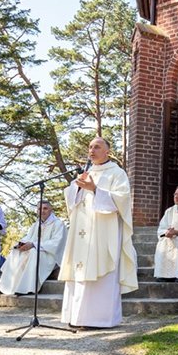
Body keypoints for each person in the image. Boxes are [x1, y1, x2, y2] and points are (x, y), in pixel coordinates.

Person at [60, 137, 139, 328]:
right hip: (81, 231)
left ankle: (99, 319)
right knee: (79, 270)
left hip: (104, 231)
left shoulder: (117, 173)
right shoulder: (86, 172)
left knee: (102, 271)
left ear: (107, 152)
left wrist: (95, 189)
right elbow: (72, 199)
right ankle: (76, 317)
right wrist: (76, 188)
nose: (92, 150)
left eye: (97, 147)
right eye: (90, 147)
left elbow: (122, 200)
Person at [0, 201, 67, 295]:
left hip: (50, 255)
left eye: (45, 208)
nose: (42, 211)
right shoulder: (36, 224)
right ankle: (6, 287)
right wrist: (20, 244)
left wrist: (34, 245)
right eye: (39, 209)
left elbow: (56, 243)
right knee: (16, 252)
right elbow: (28, 238)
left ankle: (28, 288)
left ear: (51, 210)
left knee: (33, 252)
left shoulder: (58, 224)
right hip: (37, 249)